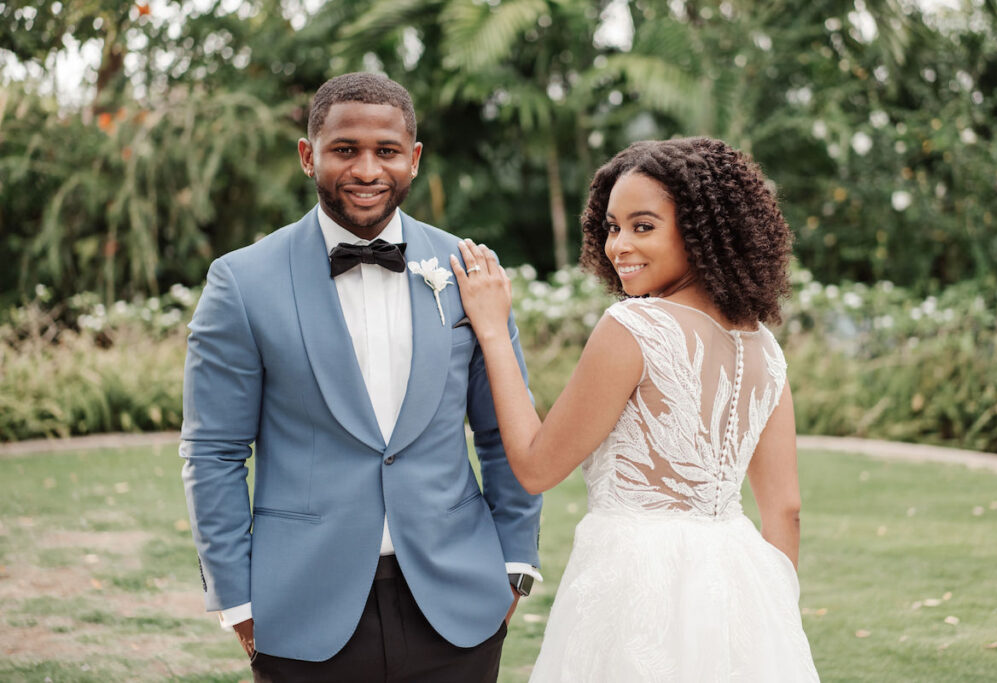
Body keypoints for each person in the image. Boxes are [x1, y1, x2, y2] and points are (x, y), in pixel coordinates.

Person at [180, 72, 542, 682]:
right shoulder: (241, 283)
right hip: (299, 603)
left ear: (414, 159)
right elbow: (214, 450)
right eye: (345, 150)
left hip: (460, 600)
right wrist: (235, 595)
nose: (367, 170)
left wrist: (514, 562)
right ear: (308, 155)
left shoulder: (468, 271)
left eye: (387, 151)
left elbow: (506, 432)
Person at [452, 137, 820, 681]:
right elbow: (784, 510)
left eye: (643, 226)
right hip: (743, 584)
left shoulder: (634, 328)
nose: (618, 245)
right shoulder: (766, 348)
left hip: (634, 585)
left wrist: (492, 329)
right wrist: (770, 615)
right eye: (611, 226)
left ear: (701, 232)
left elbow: (534, 467)